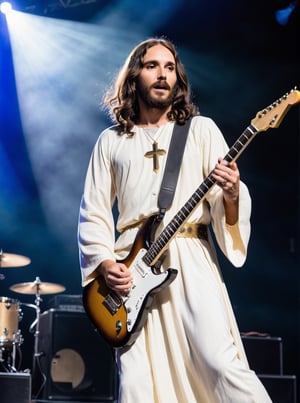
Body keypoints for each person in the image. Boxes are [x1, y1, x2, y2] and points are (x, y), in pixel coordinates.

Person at [78, 37, 272, 403]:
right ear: (134, 76)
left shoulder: (201, 130)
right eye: (152, 66)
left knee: (220, 365)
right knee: (137, 386)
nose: (163, 75)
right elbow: (94, 211)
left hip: (190, 260)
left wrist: (231, 192)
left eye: (170, 68)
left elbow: (223, 205)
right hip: (130, 272)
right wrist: (105, 264)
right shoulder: (111, 142)